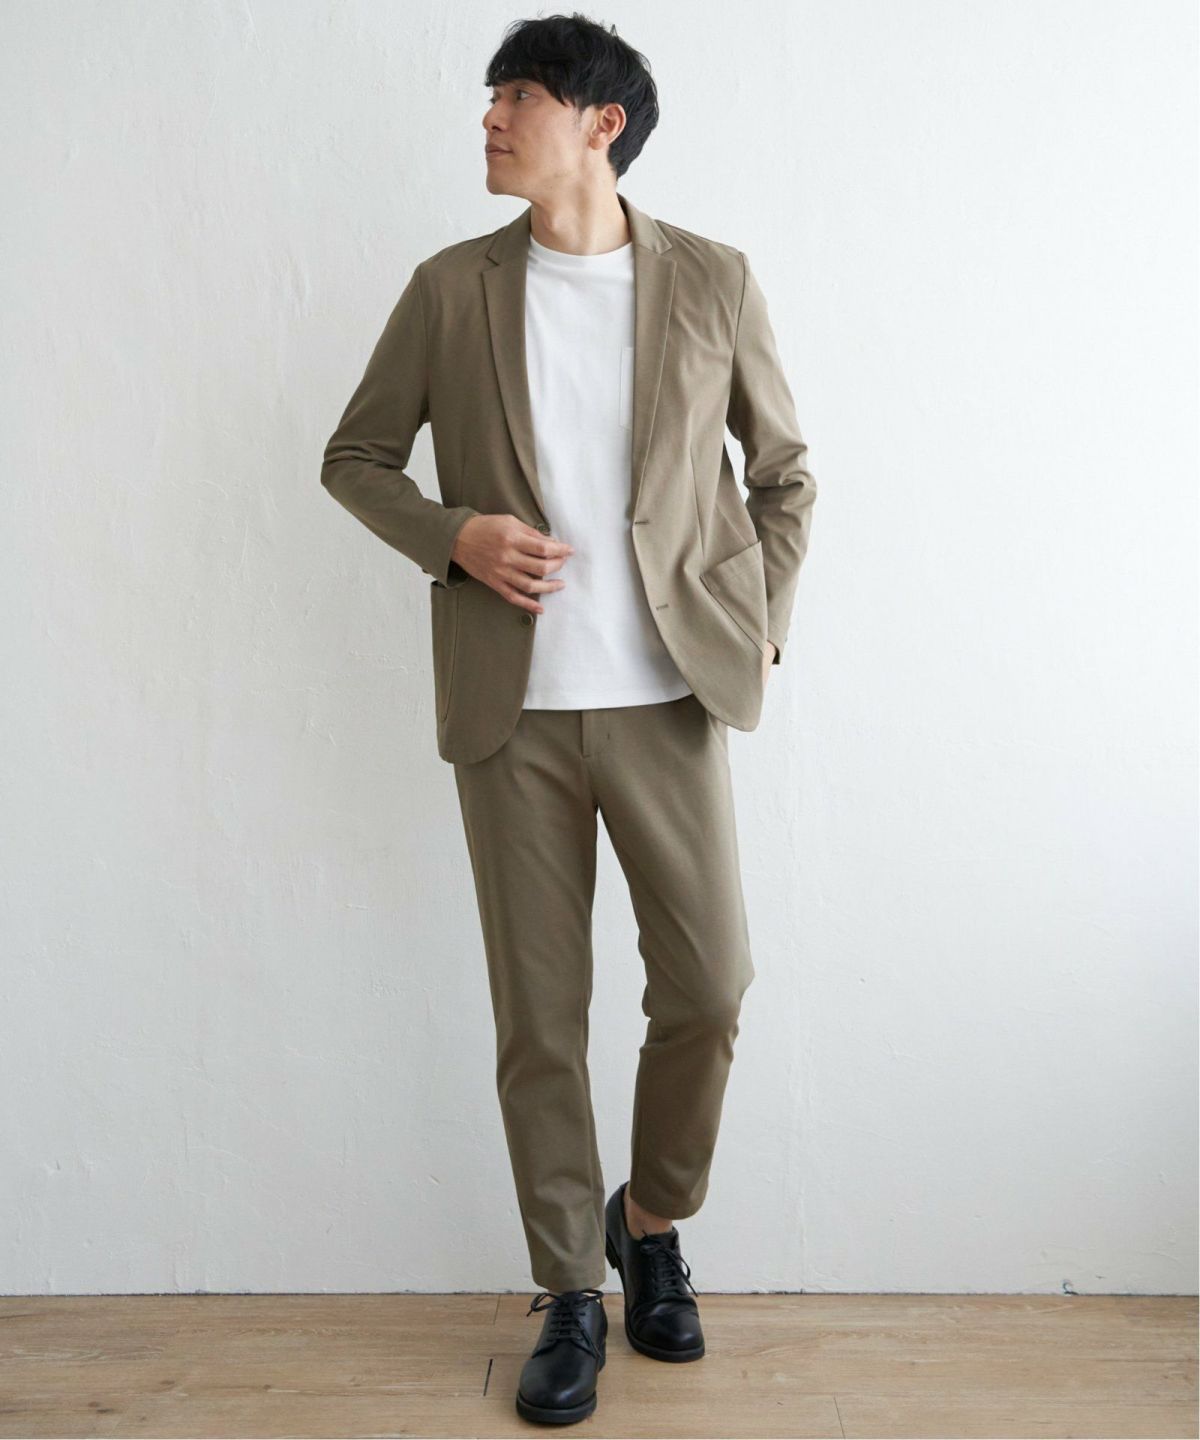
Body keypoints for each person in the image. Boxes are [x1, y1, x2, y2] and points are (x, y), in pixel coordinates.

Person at [320, 13, 817, 1426]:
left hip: (669, 701)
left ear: (602, 123)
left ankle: (649, 1220)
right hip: (515, 711)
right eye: (491, 96)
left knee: (709, 989)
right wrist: (454, 535)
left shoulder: (713, 279)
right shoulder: (451, 288)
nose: (489, 117)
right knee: (540, 1020)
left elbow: (784, 476)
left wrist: (758, 626)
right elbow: (355, 456)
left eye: (518, 94)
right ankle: (568, 1293)